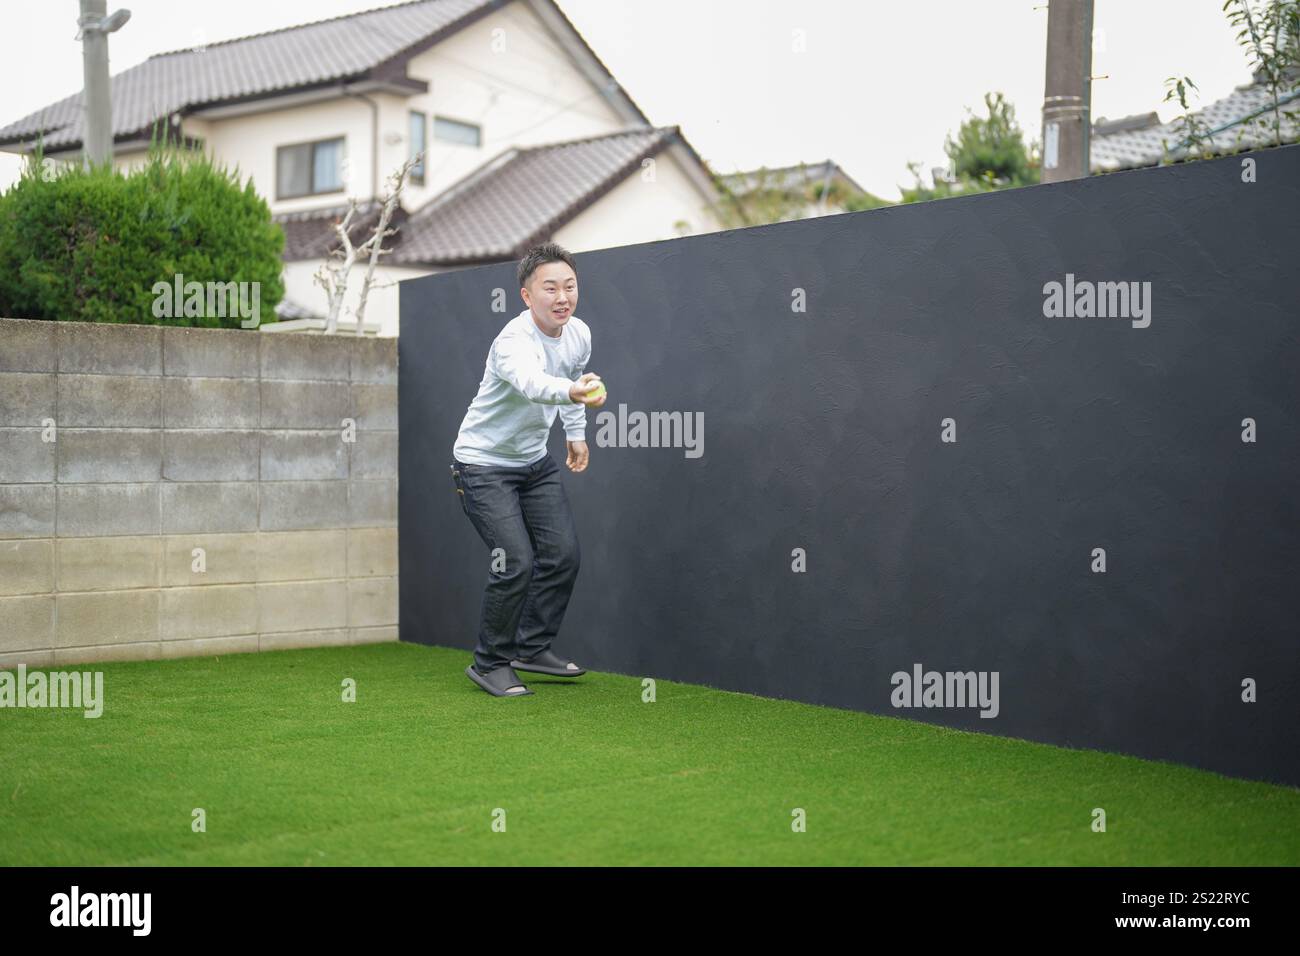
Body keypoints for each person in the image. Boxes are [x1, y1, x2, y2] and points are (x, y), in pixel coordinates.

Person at [450, 242, 607, 697]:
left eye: (570, 286)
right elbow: (536, 385)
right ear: (526, 295)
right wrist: (573, 396)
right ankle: (490, 663)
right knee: (514, 561)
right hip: (481, 465)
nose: (563, 297)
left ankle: (532, 648)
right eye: (550, 288)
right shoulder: (512, 343)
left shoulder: (579, 333)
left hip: (533, 463)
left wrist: (576, 434)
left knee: (563, 556)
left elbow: (579, 381)